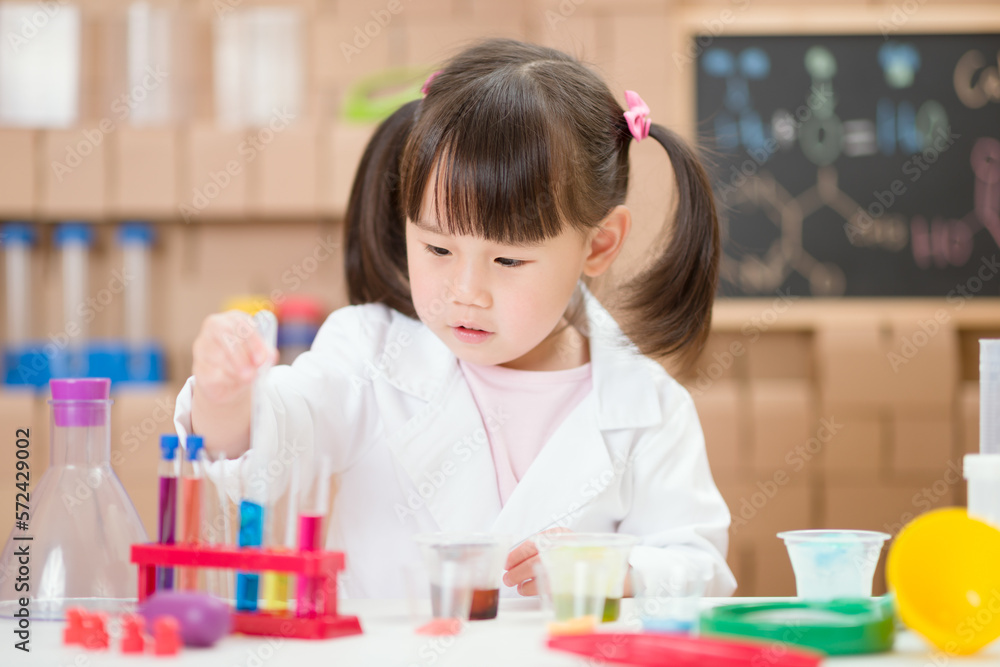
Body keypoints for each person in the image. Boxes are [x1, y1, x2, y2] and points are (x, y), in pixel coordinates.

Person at [173, 38, 736, 599]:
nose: (466, 293)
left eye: (508, 260)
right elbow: (271, 454)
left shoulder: (649, 409)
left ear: (599, 244)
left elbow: (696, 565)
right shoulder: (367, 354)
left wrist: (617, 572)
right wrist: (227, 398)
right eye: (438, 250)